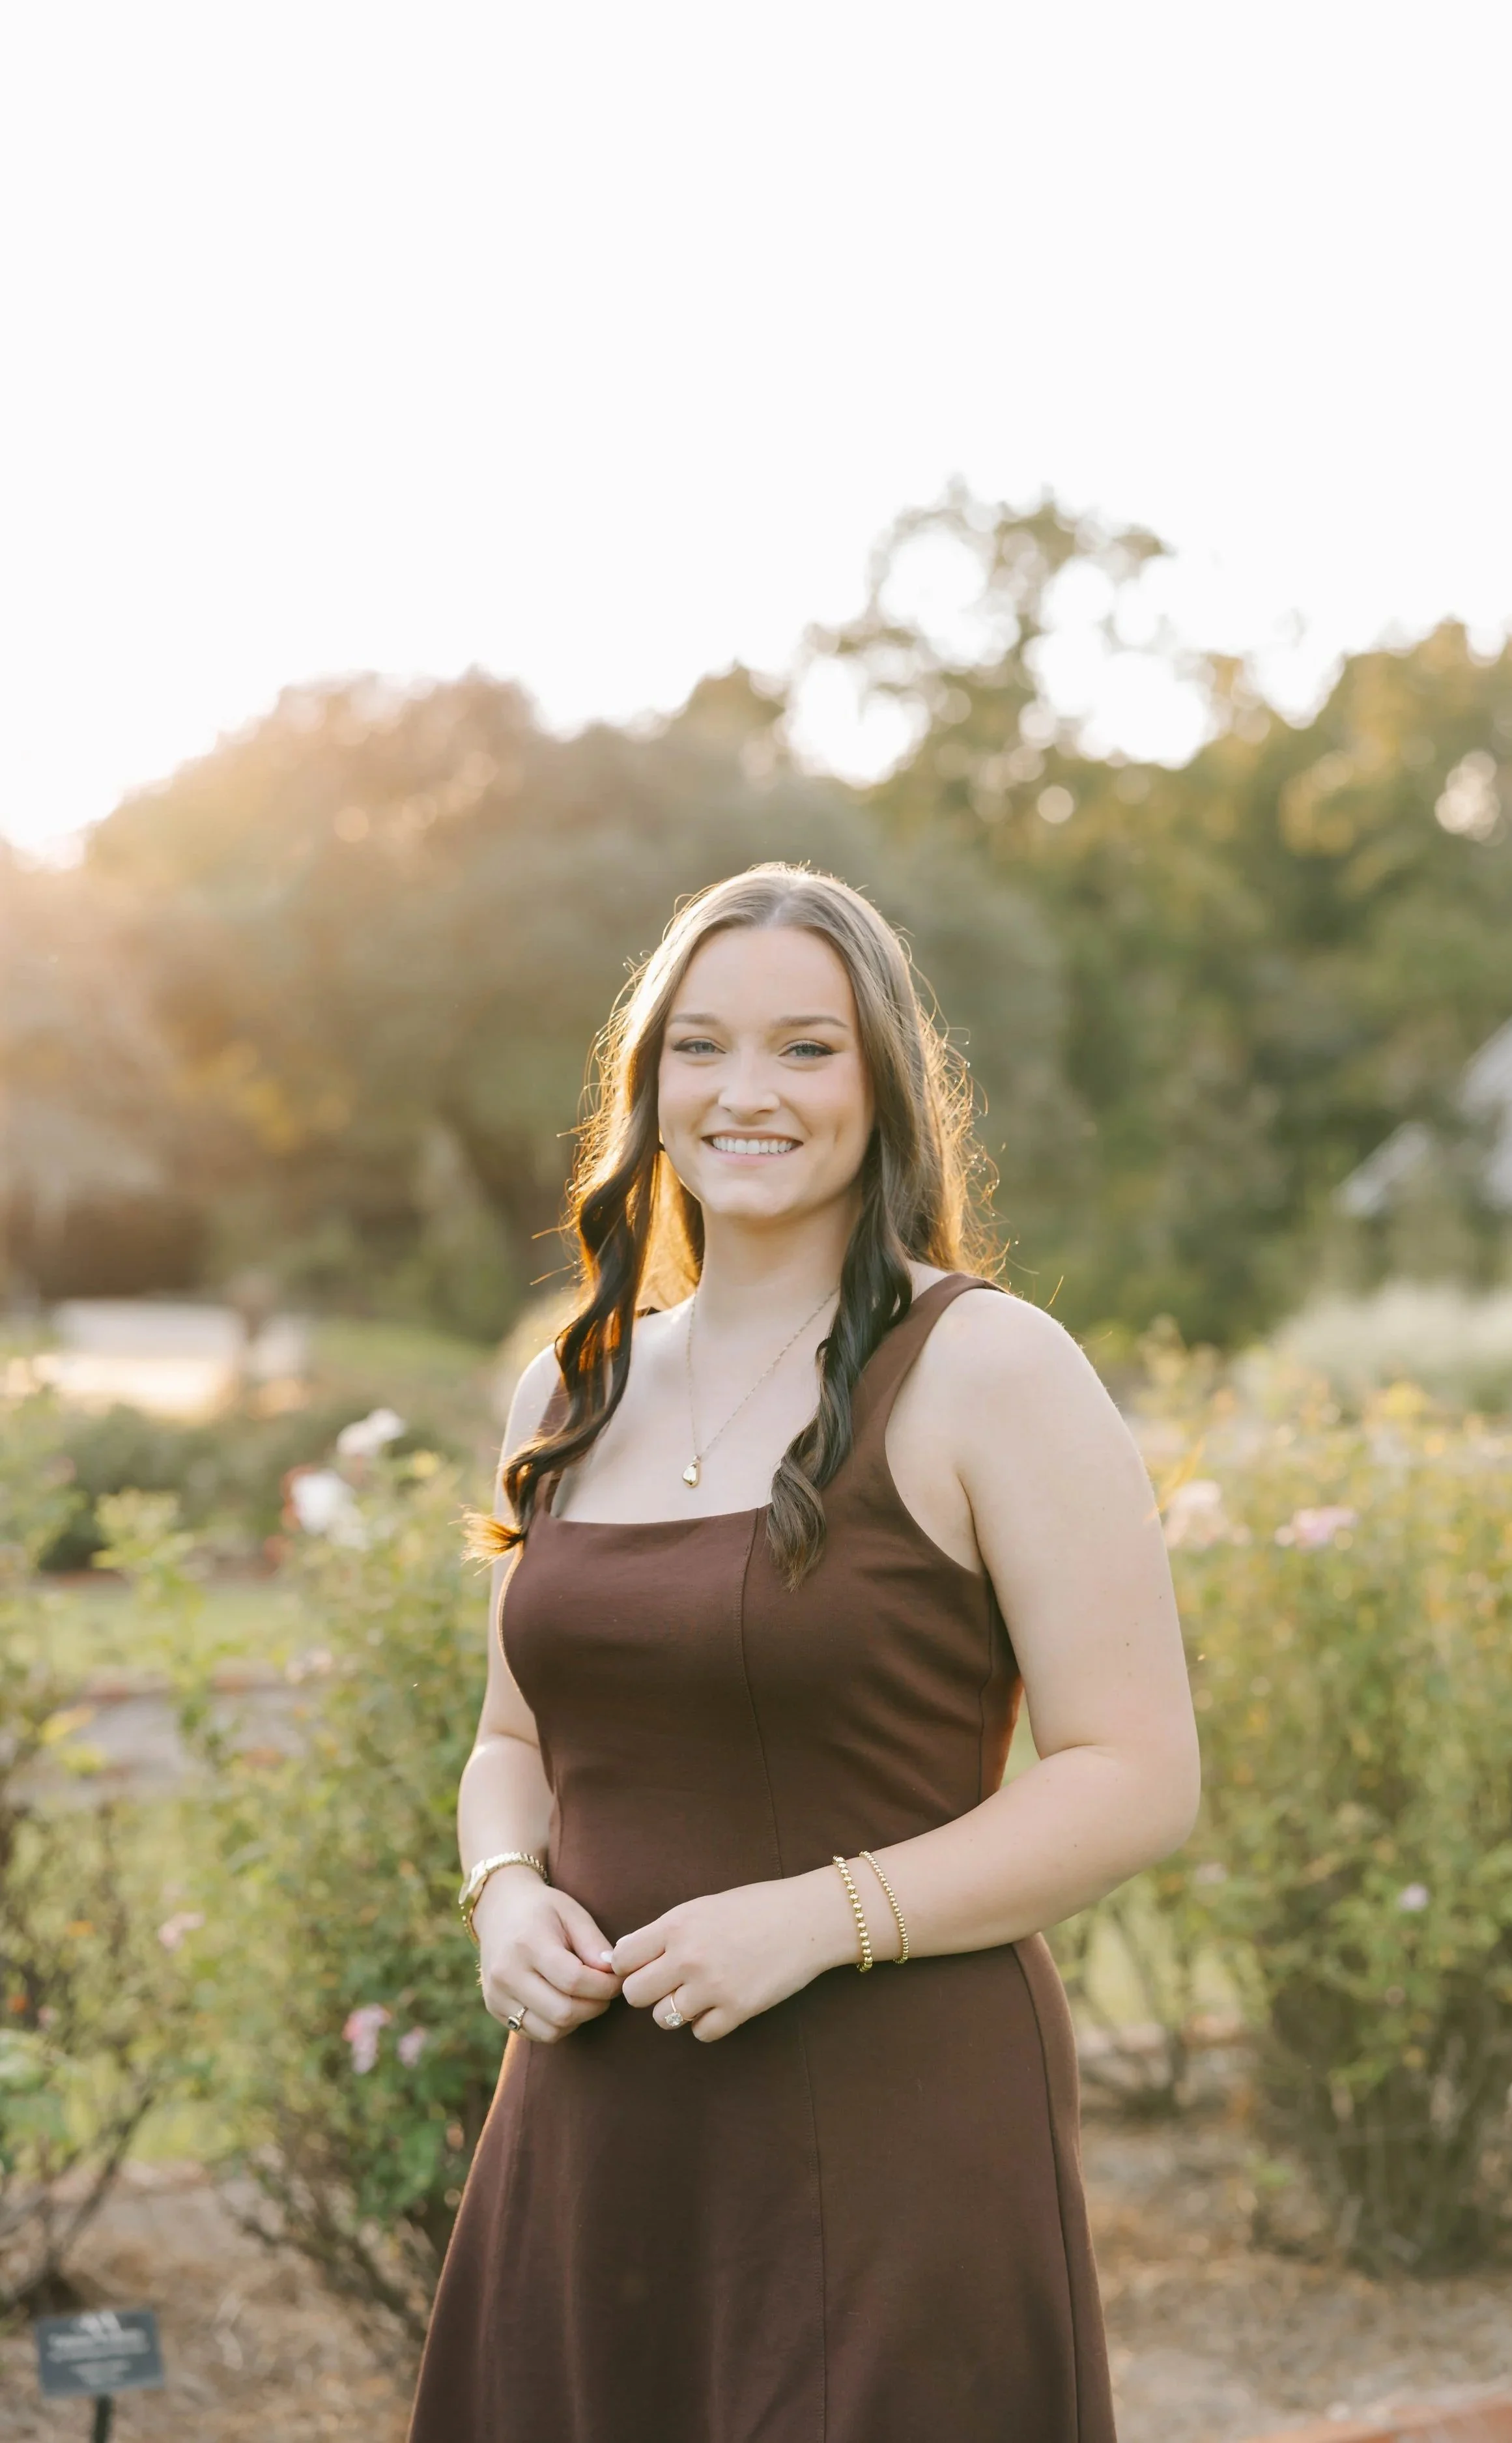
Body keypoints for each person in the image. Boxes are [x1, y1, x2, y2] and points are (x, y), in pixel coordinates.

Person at [407, 864, 1199, 2443]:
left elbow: (1133, 1778)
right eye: (699, 1047)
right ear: (649, 1088)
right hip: (594, 2130)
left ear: (881, 1082)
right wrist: (501, 1893)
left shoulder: (988, 1368)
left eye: (804, 1048)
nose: (745, 1092)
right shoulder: (568, 1389)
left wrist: (816, 1918)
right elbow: (514, 1745)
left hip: (891, 2135)